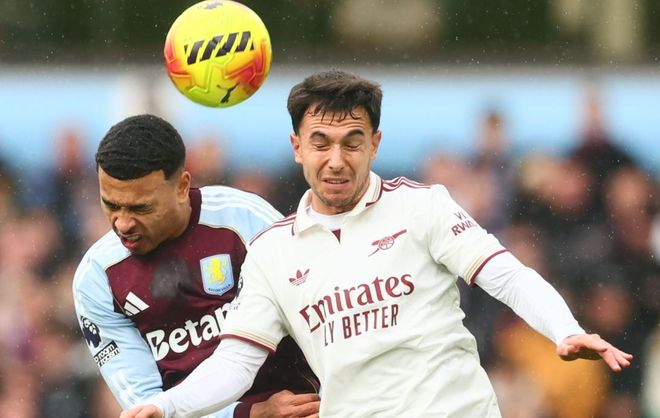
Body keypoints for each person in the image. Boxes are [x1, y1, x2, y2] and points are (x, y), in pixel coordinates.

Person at [120, 71, 632, 418]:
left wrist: (564, 328)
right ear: (297, 147)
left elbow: (508, 276)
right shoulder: (272, 252)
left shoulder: (423, 206)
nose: (336, 159)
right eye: (320, 142)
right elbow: (235, 362)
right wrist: (167, 406)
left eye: (352, 142)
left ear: (375, 144)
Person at [72, 114, 320, 418]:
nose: (122, 223)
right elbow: (148, 406)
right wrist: (247, 414)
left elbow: (320, 321)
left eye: (141, 208)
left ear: (182, 186)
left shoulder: (245, 220)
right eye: (110, 205)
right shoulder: (98, 277)